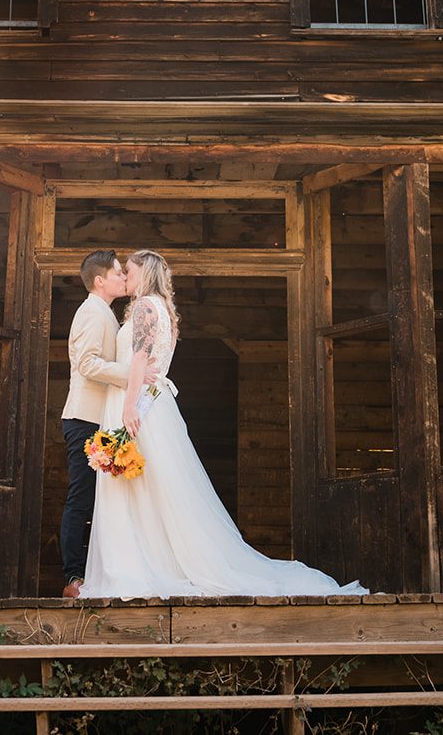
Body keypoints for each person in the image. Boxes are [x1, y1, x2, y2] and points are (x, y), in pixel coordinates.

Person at [81, 249, 367, 599]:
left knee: (141, 488)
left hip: (140, 404)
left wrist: (128, 407)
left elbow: (140, 358)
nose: (126, 275)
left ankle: (142, 565)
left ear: (145, 273)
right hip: (157, 404)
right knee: (156, 488)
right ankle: (159, 560)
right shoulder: (163, 310)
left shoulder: (143, 307)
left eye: (130, 270)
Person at [58, 249, 132, 599]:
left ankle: (100, 572)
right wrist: (130, 374)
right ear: (100, 280)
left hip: (100, 419)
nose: (123, 277)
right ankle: (74, 576)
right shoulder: (91, 312)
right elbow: (87, 363)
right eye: (118, 273)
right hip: (84, 418)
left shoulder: (104, 312)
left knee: (106, 497)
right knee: (82, 496)